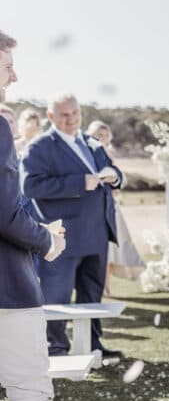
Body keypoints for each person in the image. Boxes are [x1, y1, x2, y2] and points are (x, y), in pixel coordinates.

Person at [0, 29, 68, 401]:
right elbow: (4, 213)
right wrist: (48, 241)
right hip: (6, 291)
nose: (15, 75)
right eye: (6, 65)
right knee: (28, 397)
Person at [21, 94, 124, 358]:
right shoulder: (40, 147)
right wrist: (79, 183)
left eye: (75, 113)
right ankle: (55, 348)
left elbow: (113, 170)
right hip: (63, 238)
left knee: (92, 295)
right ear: (51, 116)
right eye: (64, 115)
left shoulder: (92, 142)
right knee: (57, 297)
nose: (71, 119)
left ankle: (93, 346)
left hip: (97, 234)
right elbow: (30, 186)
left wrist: (116, 177)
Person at [86, 121, 145, 281]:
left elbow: (117, 181)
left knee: (113, 247)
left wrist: (114, 184)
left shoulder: (109, 155)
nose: (101, 138)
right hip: (93, 206)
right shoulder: (86, 154)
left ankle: (105, 283)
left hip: (110, 204)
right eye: (98, 134)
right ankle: (100, 284)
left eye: (104, 135)